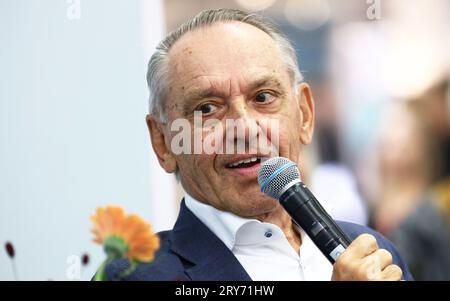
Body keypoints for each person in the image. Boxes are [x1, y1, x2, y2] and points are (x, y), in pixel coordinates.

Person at [101, 8, 412, 281]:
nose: (245, 128)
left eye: (263, 97)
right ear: (163, 142)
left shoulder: (375, 253)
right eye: (208, 108)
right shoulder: (137, 274)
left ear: (304, 115)